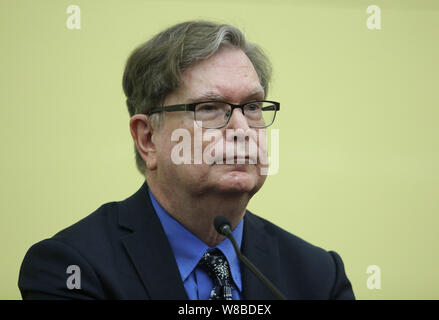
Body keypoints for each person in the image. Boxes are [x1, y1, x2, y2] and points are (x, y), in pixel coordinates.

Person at [18, 20, 355, 300]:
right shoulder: (72, 269)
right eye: (209, 108)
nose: (242, 129)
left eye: (252, 107)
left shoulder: (318, 276)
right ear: (147, 138)